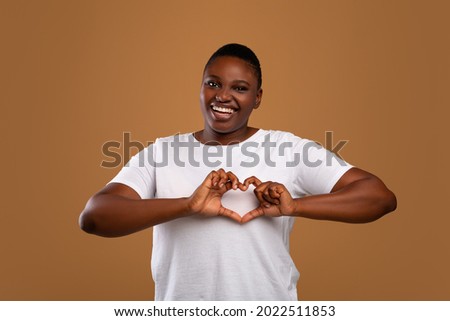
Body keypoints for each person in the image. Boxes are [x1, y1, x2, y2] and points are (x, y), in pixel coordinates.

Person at [79, 43, 397, 300]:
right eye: (213, 83)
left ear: (257, 98)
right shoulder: (162, 152)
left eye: (240, 88)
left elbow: (378, 197)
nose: (223, 96)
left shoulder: (288, 148)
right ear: (201, 88)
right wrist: (187, 205)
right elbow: (94, 217)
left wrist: (297, 206)